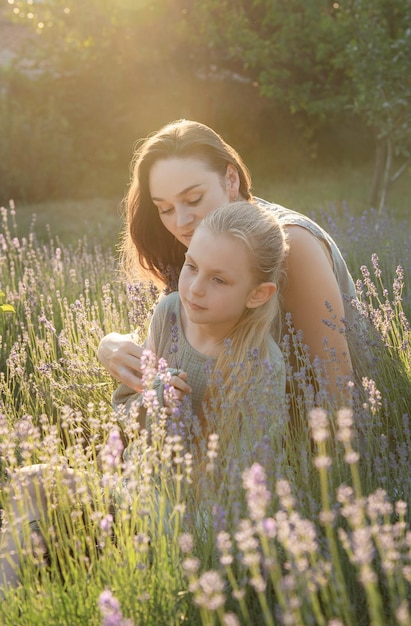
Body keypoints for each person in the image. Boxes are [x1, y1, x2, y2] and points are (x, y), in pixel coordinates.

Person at [0, 200, 288, 596]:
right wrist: (156, 401)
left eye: (219, 280)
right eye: (191, 266)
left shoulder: (260, 364)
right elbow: (128, 411)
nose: (195, 288)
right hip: (130, 490)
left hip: (185, 523)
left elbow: (243, 491)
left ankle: (76, 577)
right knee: (28, 482)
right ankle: (16, 603)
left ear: (258, 294)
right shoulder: (170, 312)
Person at [98, 119, 371, 406]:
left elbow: (339, 388)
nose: (180, 222)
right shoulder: (200, 240)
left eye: (193, 199)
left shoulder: (292, 244)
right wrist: (109, 347)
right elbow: (174, 347)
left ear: (231, 180)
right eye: (164, 208)